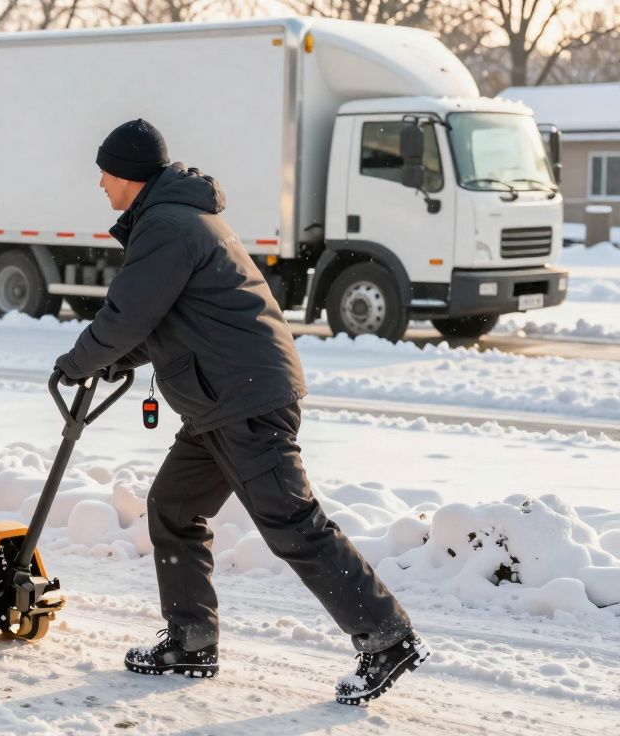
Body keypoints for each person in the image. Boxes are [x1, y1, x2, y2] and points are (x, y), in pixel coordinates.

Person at [53, 119, 426, 705]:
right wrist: (116, 361)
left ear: (127, 174)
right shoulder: (181, 218)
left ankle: (387, 637)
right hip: (222, 398)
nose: (100, 183)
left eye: (105, 172)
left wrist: (77, 363)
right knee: (174, 507)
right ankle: (191, 641)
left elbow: (128, 315)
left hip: (242, 398)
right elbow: (172, 318)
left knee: (292, 523)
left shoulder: (167, 225)